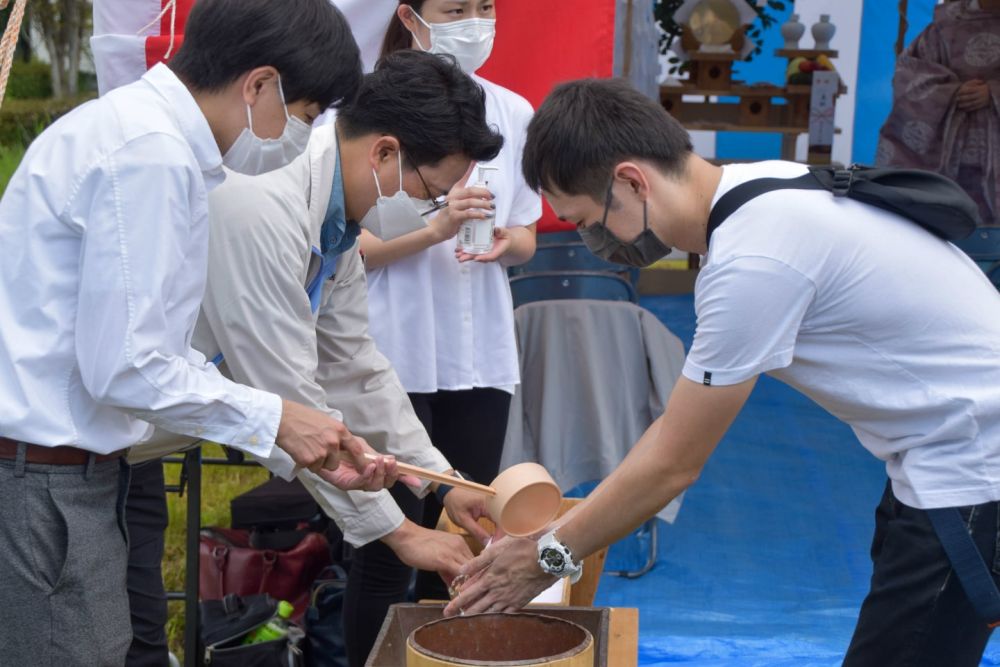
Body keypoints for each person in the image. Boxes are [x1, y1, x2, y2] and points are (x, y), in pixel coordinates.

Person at [446, 78, 1000, 667]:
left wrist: (548, 558)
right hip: (944, 454)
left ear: (631, 181)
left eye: (587, 221)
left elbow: (675, 465)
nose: (591, 242)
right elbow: (671, 431)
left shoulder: (751, 261)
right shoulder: (763, 187)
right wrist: (559, 534)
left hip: (972, 467)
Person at [0, 1, 401, 665]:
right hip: (44, 482)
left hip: (69, 476)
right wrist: (276, 416)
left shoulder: (141, 137)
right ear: (258, 85)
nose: (302, 137)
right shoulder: (148, 156)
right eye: (304, 115)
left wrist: (290, 422)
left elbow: (144, 349)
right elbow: (128, 366)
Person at [124, 50, 505, 666]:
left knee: (130, 634)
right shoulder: (259, 204)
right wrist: (401, 532)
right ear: (384, 154)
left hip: (131, 442)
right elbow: (290, 395)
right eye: (433, 194)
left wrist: (443, 484)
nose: (431, 211)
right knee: (108, 639)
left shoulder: (337, 225)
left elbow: (356, 365)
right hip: (78, 442)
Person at [358, 0, 542, 615]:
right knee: (390, 544)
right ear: (410, 16)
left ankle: (455, 650)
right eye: (455, 8)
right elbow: (343, 251)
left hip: (479, 351)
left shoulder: (511, 112)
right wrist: (434, 230)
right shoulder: (367, 106)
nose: (474, 21)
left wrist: (501, 241)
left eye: (484, 7)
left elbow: (527, 235)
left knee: (471, 535)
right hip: (393, 350)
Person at [877, 0, 1000, 224]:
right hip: (950, 153)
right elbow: (909, 77)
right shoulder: (947, 24)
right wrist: (951, 93)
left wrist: (993, 93)